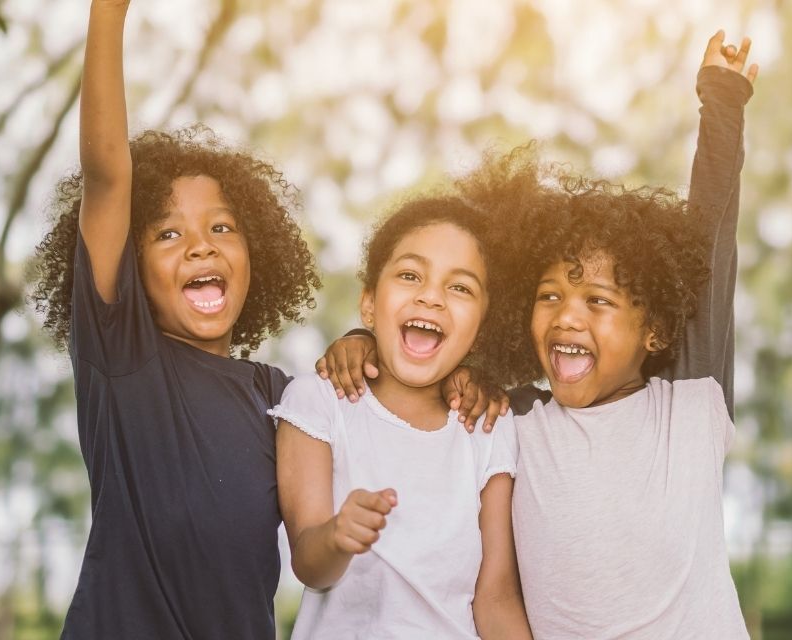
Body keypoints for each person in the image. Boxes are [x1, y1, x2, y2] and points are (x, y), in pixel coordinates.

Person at [319, 30, 758, 639]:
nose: (566, 316)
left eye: (598, 300)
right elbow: (429, 340)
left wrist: (723, 101)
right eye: (548, 295)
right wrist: (360, 340)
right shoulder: (513, 420)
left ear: (655, 328)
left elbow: (712, 231)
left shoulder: (689, 400)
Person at [30, 2, 374, 637]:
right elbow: (109, 178)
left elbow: (323, 518)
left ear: (257, 254)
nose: (201, 245)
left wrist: (361, 341)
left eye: (222, 227)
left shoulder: (278, 396)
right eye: (167, 233)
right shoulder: (122, 355)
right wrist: (108, 15)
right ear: (130, 268)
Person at [272, 196, 532, 639]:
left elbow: (496, 597)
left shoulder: (489, 427)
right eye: (410, 275)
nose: (431, 296)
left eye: (460, 287)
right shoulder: (319, 401)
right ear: (369, 304)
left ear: (482, 328)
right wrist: (337, 535)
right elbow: (309, 565)